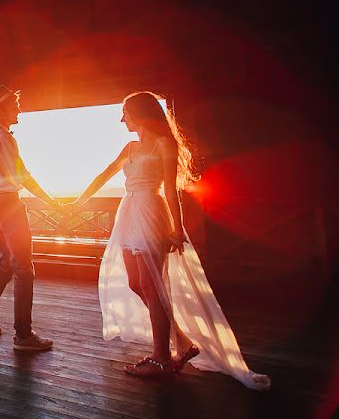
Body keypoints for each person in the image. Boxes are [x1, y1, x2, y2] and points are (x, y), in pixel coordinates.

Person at [69, 91, 270, 389]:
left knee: (153, 285)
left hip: (151, 210)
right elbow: (105, 173)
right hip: (128, 213)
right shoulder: (130, 147)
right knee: (136, 283)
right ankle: (183, 341)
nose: (122, 118)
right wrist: (78, 201)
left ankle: (161, 358)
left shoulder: (166, 144)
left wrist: (177, 228)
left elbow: (171, 190)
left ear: (140, 113)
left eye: (125, 112)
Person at [0, 85, 59, 351]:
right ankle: (23, 335)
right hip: (9, 204)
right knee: (23, 268)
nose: (19, 108)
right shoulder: (5, 139)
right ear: (0, 109)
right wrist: (49, 200)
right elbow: (22, 176)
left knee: (5, 265)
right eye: (14, 104)